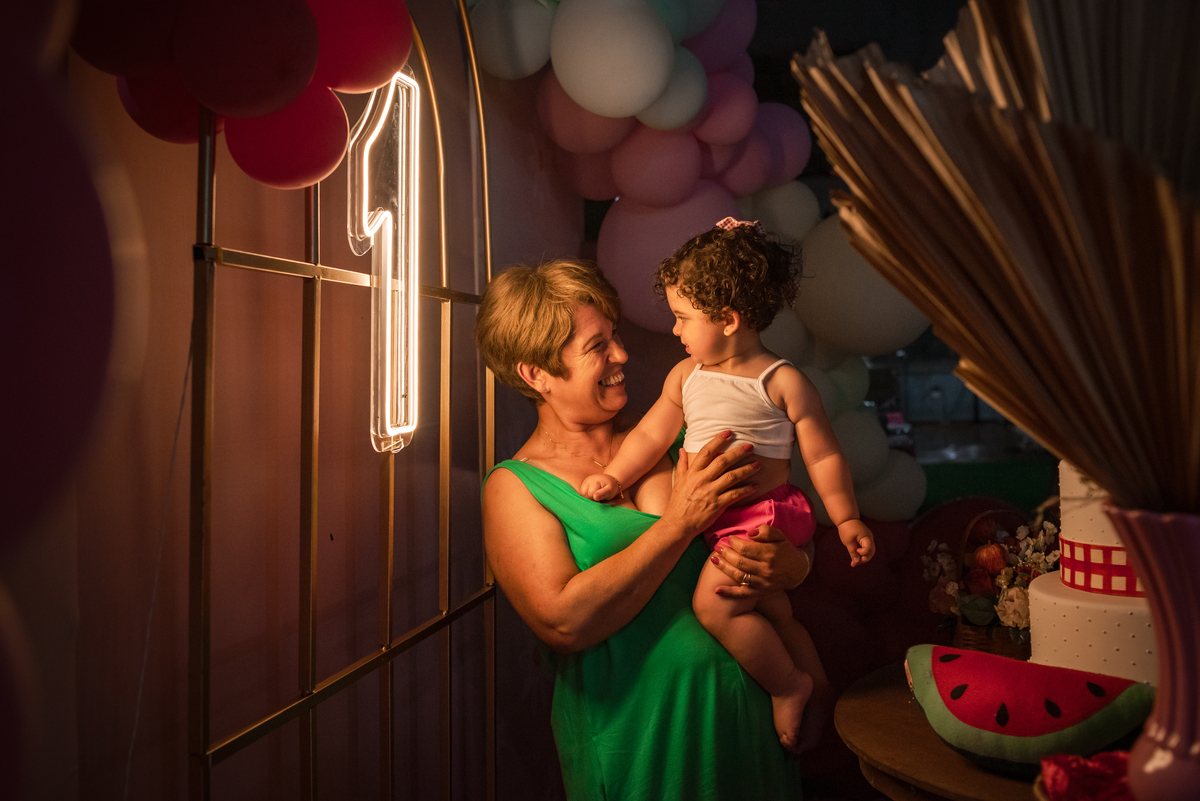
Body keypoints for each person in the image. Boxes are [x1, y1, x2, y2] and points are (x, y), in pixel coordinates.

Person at [477, 258, 828, 800]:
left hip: (752, 723)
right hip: (644, 744)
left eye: (615, 336)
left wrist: (795, 567)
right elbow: (563, 623)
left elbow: (778, 519)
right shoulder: (516, 486)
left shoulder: (685, 434)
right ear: (536, 374)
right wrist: (679, 524)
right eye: (597, 347)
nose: (621, 355)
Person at [579, 218, 875, 752]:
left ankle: (789, 686)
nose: (675, 331)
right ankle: (823, 705)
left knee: (715, 607)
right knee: (774, 611)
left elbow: (823, 453)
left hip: (761, 515)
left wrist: (847, 518)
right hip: (715, 520)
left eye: (683, 318)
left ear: (728, 319)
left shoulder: (780, 381)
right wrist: (615, 474)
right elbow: (651, 434)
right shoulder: (686, 376)